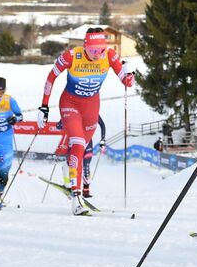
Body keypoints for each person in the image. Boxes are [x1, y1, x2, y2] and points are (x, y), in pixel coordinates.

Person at [39, 27, 135, 215]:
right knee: (78, 144)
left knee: (81, 151)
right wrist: (44, 107)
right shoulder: (71, 56)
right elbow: (51, 77)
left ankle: (69, 167)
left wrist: (129, 72)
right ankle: (76, 197)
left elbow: (127, 83)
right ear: (85, 47)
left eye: (100, 50)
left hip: (91, 108)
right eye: (92, 51)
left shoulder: (110, 56)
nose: (97, 55)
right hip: (70, 103)